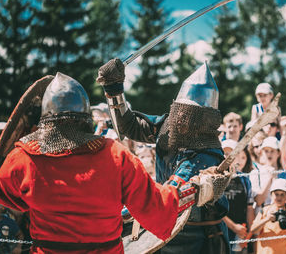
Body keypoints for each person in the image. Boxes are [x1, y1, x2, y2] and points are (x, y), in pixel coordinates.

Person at [0, 72, 228, 254]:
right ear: (86, 118)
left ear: (46, 120)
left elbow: (6, 195)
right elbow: (157, 205)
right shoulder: (116, 156)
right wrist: (197, 189)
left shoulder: (24, 158)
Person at [96, 59, 231, 253]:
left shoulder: (208, 154)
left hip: (198, 239)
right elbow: (129, 126)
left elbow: (167, 197)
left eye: (189, 114)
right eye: (180, 111)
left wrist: (120, 215)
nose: (181, 119)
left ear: (204, 118)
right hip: (163, 226)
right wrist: (114, 89)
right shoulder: (168, 126)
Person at [221, 143, 254, 254]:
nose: (228, 157)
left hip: (240, 231)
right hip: (220, 231)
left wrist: (249, 232)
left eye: (232, 153)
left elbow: (249, 208)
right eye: (225, 153)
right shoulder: (217, 178)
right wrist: (233, 226)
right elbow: (215, 208)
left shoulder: (245, 179)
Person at [250, 178, 286, 254]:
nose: (279, 197)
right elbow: (253, 230)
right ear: (271, 195)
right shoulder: (265, 210)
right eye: (276, 194)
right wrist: (267, 219)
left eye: (282, 194)